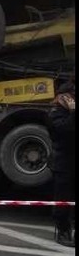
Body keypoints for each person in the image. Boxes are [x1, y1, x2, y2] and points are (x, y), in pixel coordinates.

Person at [48, 79, 75, 247]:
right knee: (63, 199)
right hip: (64, 162)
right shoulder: (55, 113)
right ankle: (62, 230)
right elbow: (65, 130)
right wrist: (73, 113)